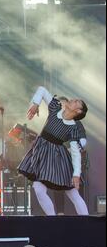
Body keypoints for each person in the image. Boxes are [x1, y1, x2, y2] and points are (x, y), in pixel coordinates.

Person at [18, 86, 89, 215]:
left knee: (72, 192)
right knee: (38, 189)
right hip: (42, 153)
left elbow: (75, 152)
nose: (72, 100)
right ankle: (53, 220)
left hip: (58, 157)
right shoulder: (55, 108)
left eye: (76, 102)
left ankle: (87, 223)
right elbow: (42, 90)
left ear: (78, 111)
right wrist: (35, 103)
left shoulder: (73, 128)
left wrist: (76, 174)